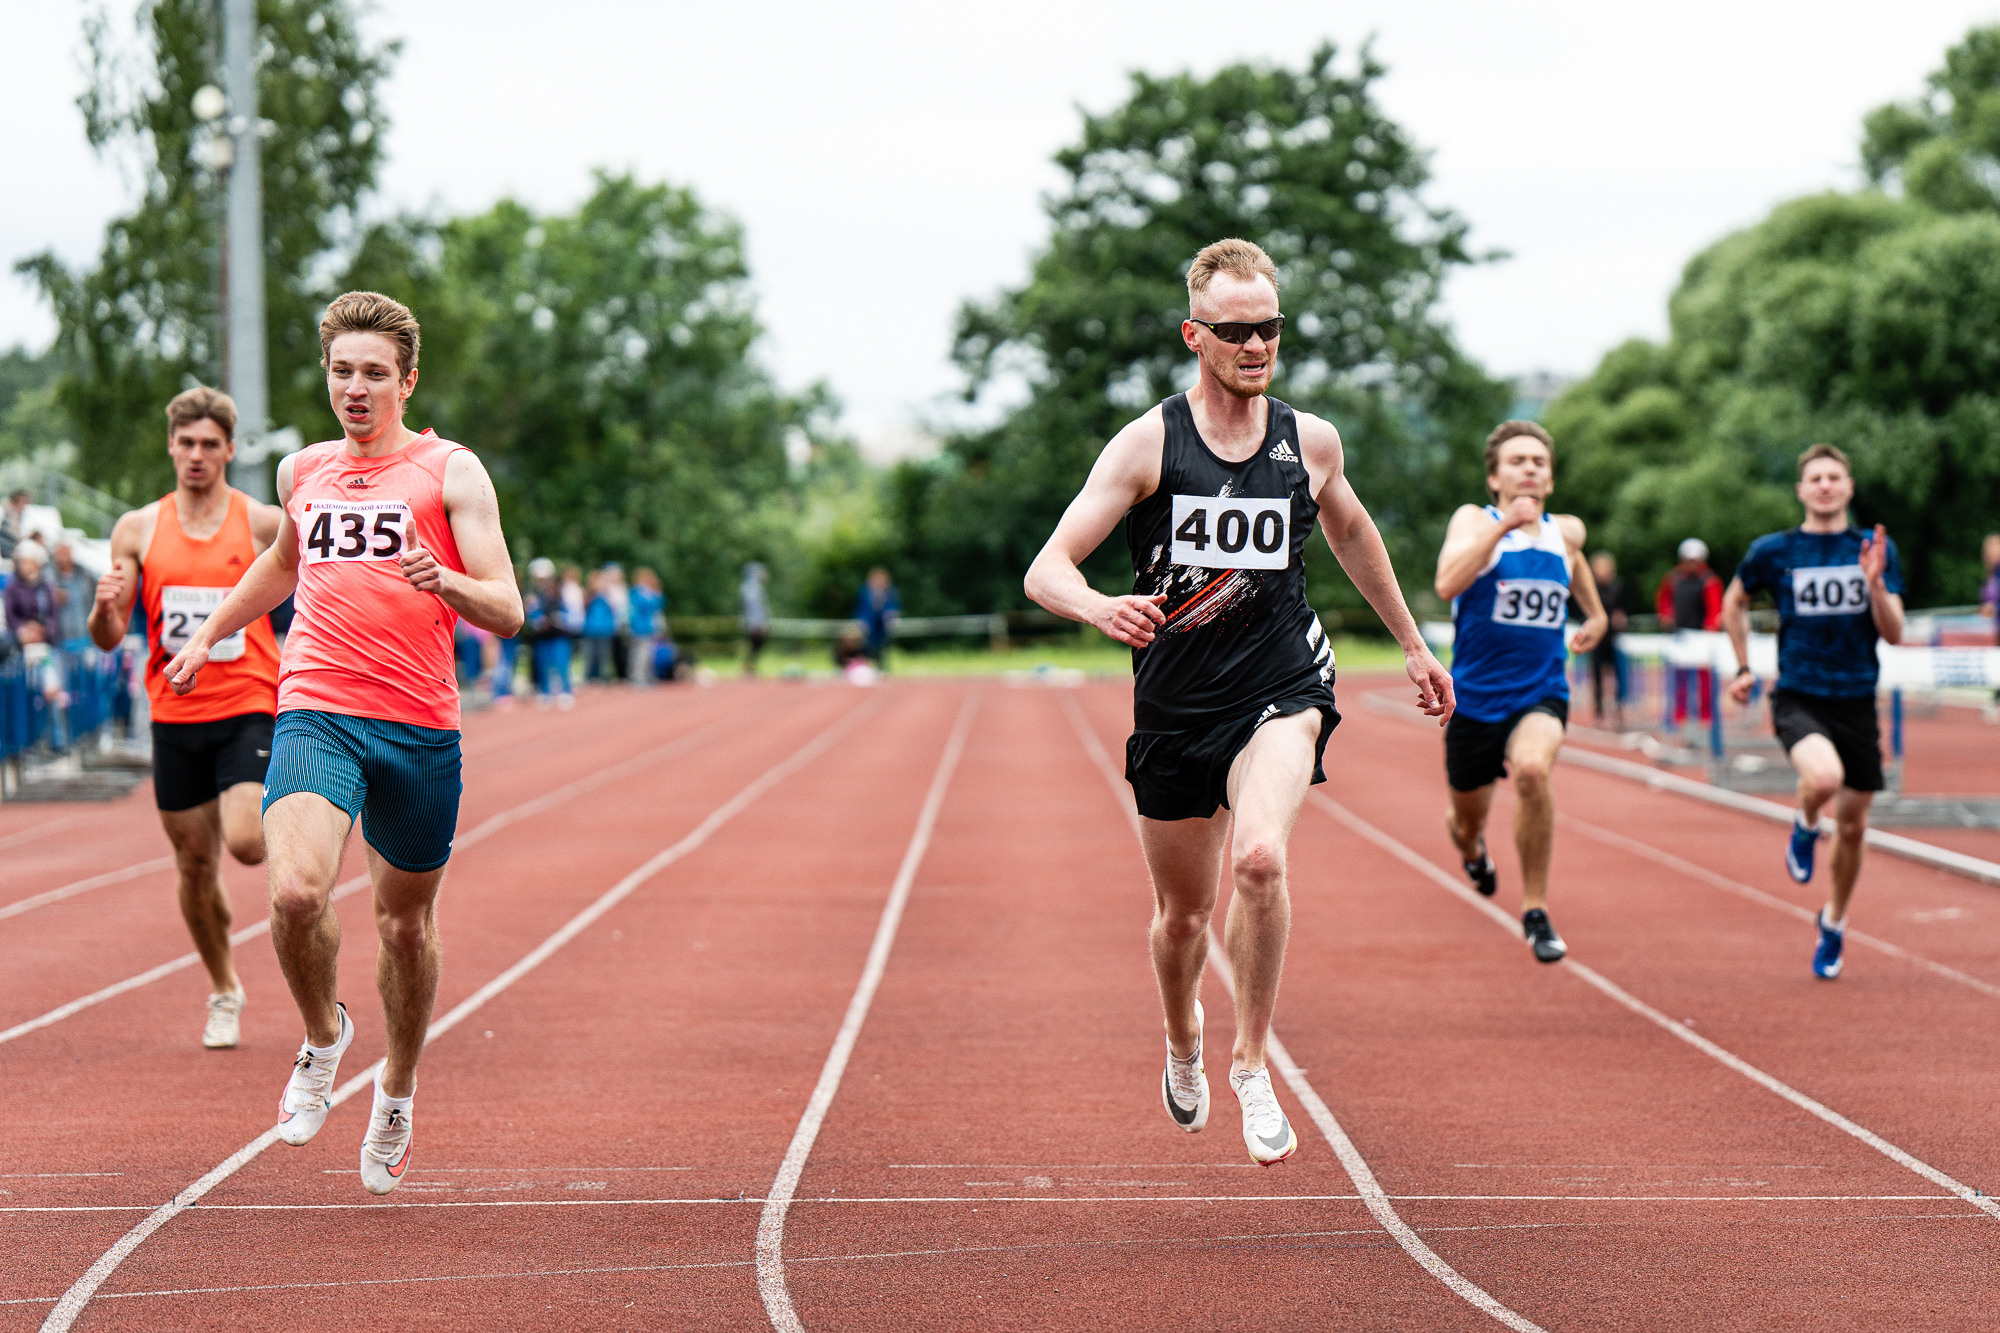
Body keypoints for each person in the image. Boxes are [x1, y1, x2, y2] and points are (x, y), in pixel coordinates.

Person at [1024, 238, 1453, 1167]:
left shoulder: (1312, 440)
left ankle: (1252, 1061)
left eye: (1271, 328)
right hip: (1178, 706)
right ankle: (1184, 1036)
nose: (1257, 345)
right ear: (1195, 335)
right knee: (1183, 917)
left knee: (1261, 858)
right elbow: (1045, 569)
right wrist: (1099, 604)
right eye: (1236, 330)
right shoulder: (1149, 443)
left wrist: (1414, 643)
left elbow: (1351, 532)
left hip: (1282, 685)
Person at [162, 291, 523, 1194]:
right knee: (292, 893)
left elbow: (509, 610)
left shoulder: (452, 473)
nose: (354, 389)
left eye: (372, 373)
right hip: (316, 708)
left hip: (418, 726)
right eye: (340, 372)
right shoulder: (303, 472)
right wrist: (209, 637)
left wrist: (444, 580)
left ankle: (396, 1088)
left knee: (403, 925)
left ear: (407, 380)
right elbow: (284, 563)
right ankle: (325, 1038)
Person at [88, 386, 283, 1046]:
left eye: (210, 444)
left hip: (249, 701)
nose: (197, 455)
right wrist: (105, 608)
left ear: (230, 449)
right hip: (174, 710)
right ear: (171, 446)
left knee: (249, 842)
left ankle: (307, 825)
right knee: (196, 866)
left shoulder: (259, 521)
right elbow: (109, 636)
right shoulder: (138, 528)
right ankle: (225, 987)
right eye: (187, 443)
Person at [1723, 443, 1902, 981]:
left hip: (1857, 698)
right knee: (1824, 779)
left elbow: (1894, 632)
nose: (1825, 485)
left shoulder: (1872, 549)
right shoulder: (1773, 551)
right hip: (1799, 693)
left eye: (1834, 477)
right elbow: (1734, 601)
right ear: (1801, 490)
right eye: (1815, 478)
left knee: (1852, 829)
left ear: (1848, 487)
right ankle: (1804, 824)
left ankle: (1834, 921)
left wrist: (1873, 582)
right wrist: (1742, 666)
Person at [1434, 421, 1607, 964]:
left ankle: (1535, 910)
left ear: (1550, 479)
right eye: (1516, 461)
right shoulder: (1474, 520)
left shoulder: (1568, 531)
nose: (1529, 468)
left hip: (1541, 691)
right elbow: (1447, 583)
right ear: (1494, 477)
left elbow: (1576, 565)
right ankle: (1472, 850)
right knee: (1466, 824)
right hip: (1475, 700)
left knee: (1533, 770)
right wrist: (1504, 525)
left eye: (1539, 461)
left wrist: (1596, 615)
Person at [1658, 537, 1722, 729]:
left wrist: (1710, 629)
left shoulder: (1710, 581)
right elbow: (1664, 602)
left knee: (1704, 679)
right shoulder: (1673, 579)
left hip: (1702, 638)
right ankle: (1680, 713)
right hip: (1679, 636)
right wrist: (1666, 617)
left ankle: (1705, 714)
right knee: (1680, 677)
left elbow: (1715, 609)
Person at [522, 557, 576, 708]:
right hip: (542, 636)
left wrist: (561, 619)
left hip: (559, 635)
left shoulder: (561, 592)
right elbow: (531, 614)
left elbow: (570, 612)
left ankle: (566, 691)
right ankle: (545, 692)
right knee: (543, 665)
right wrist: (537, 620)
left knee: (562, 663)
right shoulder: (533, 594)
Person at [1587, 551, 1629, 729]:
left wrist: (1621, 617)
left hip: (1614, 637)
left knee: (1619, 674)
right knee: (1597, 673)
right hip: (1597, 638)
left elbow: (1625, 608)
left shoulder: (1618, 586)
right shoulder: (1590, 587)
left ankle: (1619, 707)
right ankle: (1599, 710)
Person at [627, 567, 665, 687]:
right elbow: (645, 606)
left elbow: (660, 605)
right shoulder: (637, 592)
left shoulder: (648, 593)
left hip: (649, 627)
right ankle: (637, 678)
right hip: (639, 627)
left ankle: (646, 676)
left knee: (648, 655)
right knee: (640, 655)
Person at [854, 567, 899, 667]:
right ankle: (865, 664)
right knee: (865, 643)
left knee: (883, 645)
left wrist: (891, 617)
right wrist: (863, 622)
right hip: (869, 624)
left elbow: (893, 608)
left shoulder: (891, 592)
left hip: (883, 626)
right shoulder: (865, 592)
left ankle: (881, 664)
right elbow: (861, 609)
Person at [580, 568, 618, 682]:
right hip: (590, 629)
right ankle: (590, 677)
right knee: (590, 655)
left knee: (603, 655)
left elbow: (615, 608)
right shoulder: (588, 595)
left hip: (605, 629)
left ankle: (602, 677)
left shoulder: (609, 595)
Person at [741, 561, 770, 676]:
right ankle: (748, 668)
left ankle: (750, 667)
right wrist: (757, 623)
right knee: (754, 645)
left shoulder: (755, 587)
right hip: (754, 624)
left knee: (755, 646)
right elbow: (752, 607)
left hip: (756, 622)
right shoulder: (751, 588)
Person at [0, 488, 30, 560]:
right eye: (23, 501)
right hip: (5, 544)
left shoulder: (19, 514)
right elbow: (11, 533)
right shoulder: (5, 511)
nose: (25, 505)